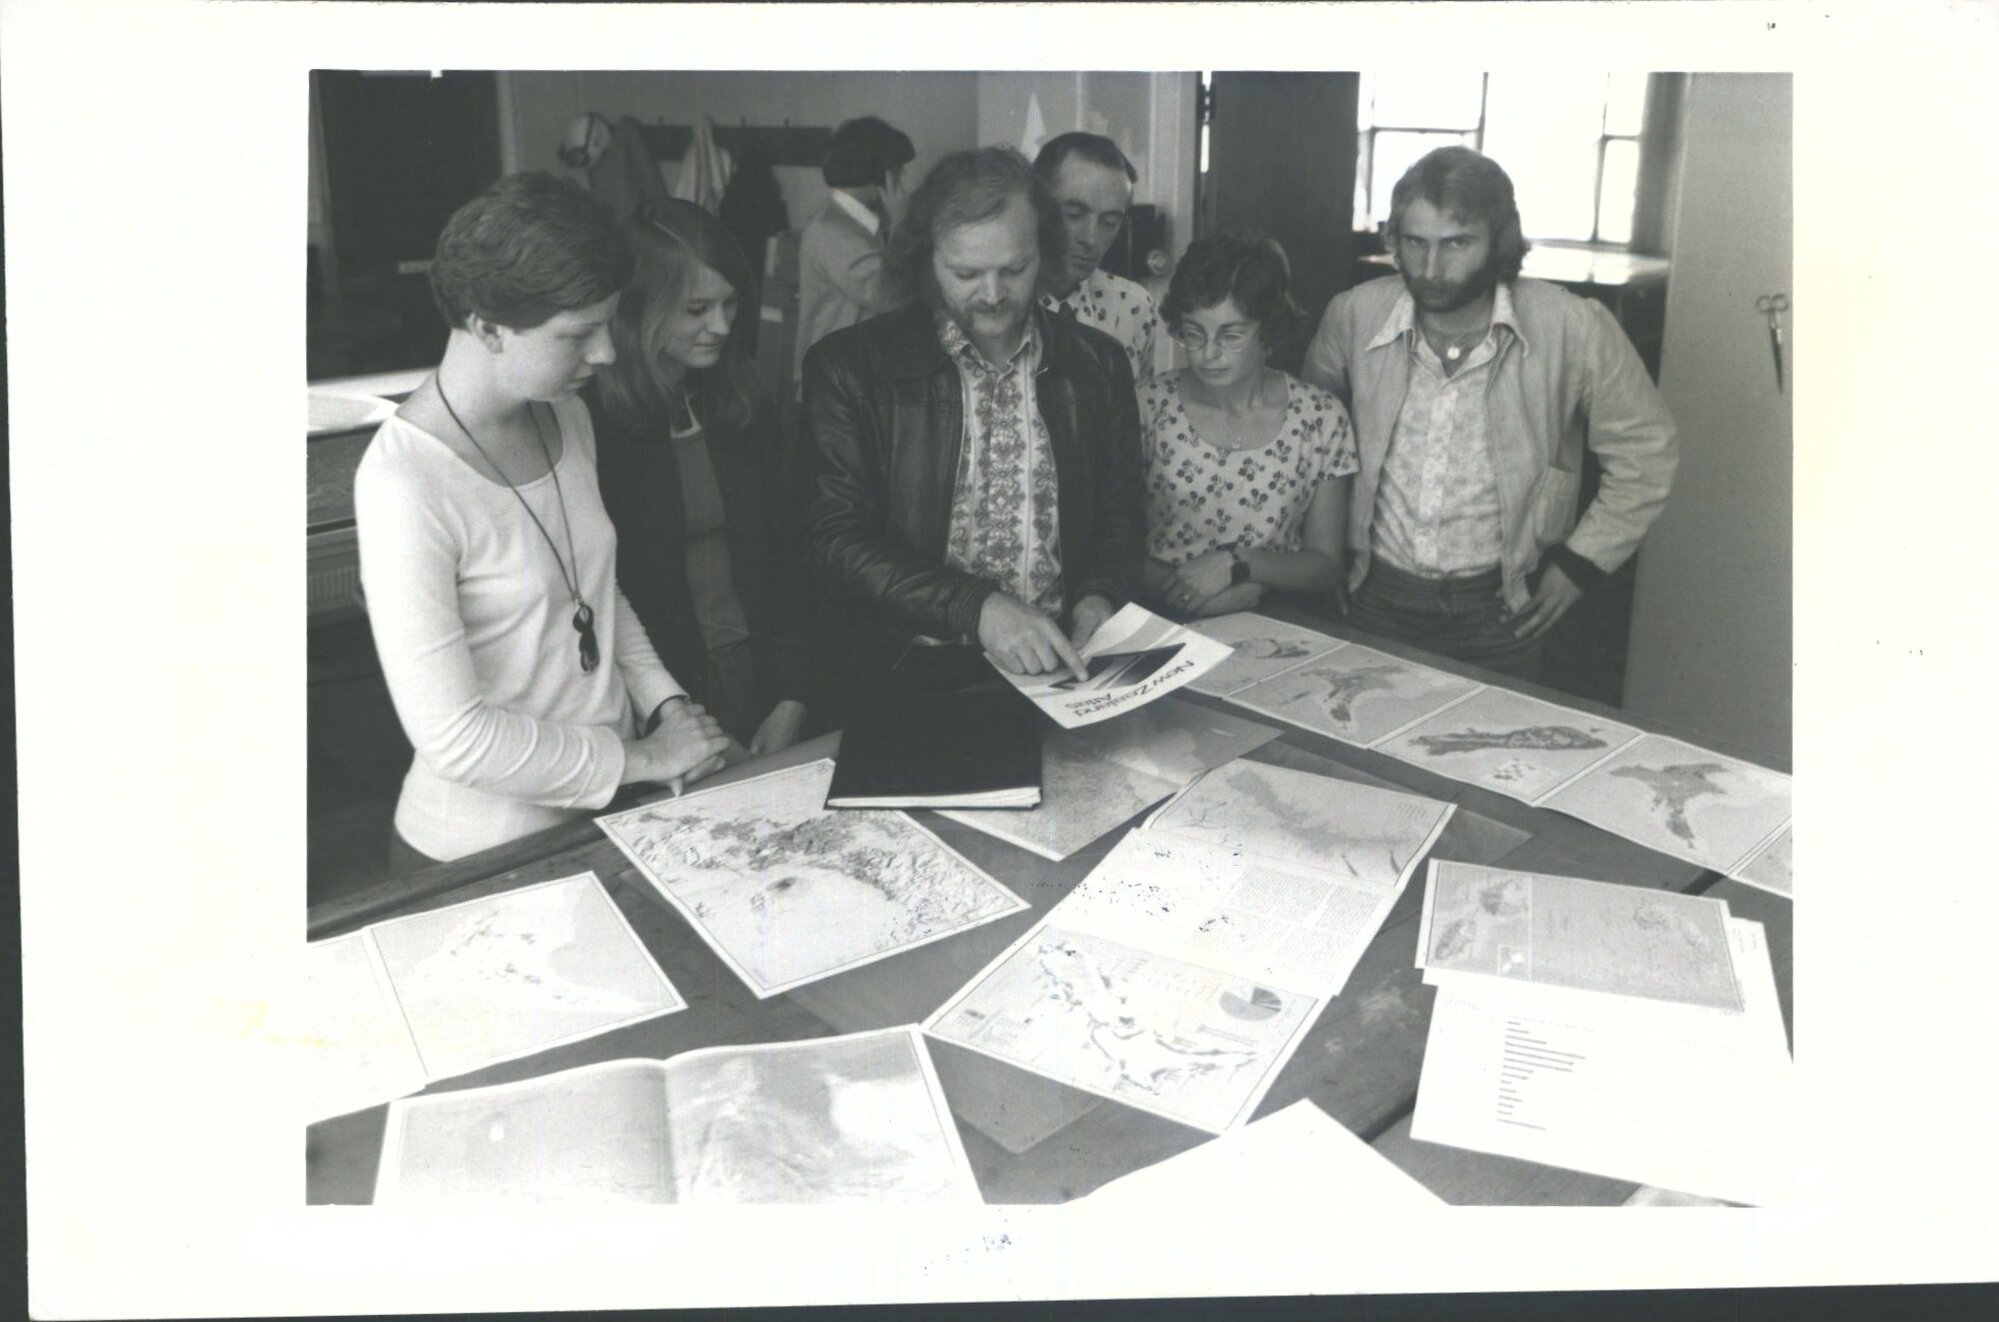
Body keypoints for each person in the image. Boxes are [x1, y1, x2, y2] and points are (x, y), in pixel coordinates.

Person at [354, 172, 731, 870]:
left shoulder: (568, 415)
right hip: (479, 850)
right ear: (485, 327)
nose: (606, 355)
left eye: (607, 327)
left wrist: (667, 706)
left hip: (613, 811)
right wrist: (643, 756)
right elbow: (455, 738)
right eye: (577, 334)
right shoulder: (403, 480)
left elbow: (593, 592)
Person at [799, 145, 1147, 722]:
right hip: (907, 677)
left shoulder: (1098, 364)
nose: (992, 294)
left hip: (1064, 671)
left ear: (1046, 251)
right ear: (925, 259)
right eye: (966, 273)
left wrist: (1099, 596)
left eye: (1014, 270)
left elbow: (1122, 515)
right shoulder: (851, 368)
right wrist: (977, 608)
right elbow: (832, 540)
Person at [1302, 145, 1678, 679]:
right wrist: (1324, 552)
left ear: (1499, 241)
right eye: (1415, 243)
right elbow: (1309, 442)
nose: (1431, 269)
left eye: (1456, 244)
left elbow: (1648, 453)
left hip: (1505, 607)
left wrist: (1578, 567)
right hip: (1371, 595)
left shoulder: (1574, 326)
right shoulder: (1354, 314)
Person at [584, 198, 812, 760]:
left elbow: (794, 554)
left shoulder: (742, 401)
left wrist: (795, 694)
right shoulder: (591, 421)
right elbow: (615, 596)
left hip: (764, 674)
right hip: (664, 699)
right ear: (639, 309)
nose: (723, 326)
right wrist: (683, 718)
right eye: (697, 309)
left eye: (731, 304)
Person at [1140, 236, 1357, 620]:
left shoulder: (1320, 418)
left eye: (1232, 335)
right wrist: (1197, 598)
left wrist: (1239, 565)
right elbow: (1110, 551)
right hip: (1162, 618)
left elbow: (1324, 565)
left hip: (1278, 622)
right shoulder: (1147, 407)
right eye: (1193, 333)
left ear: (1268, 330)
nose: (1209, 353)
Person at [793, 116, 917, 393]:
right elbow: (889, 296)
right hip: (833, 385)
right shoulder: (831, 233)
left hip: (848, 377)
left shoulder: (858, 224)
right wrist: (901, 225)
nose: (901, 181)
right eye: (898, 171)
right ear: (882, 175)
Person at [1033, 132, 1160, 383]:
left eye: (1109, 222)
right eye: (1074, 214)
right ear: (1036, 205)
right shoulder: (995, 304)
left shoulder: (1133, 307)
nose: (1091, 239)